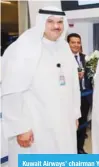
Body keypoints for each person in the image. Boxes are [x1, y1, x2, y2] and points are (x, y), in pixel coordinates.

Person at [1, 6, 80, 167]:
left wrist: (75, 114)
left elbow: (73, 86)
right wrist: (20, 127)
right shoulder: (24, 48)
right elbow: (11, 91)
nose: (56, 26)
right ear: (41, 22)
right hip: (36, 125)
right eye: (50, 21)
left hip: (64, 122)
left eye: (59, 22)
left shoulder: (64, 48)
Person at [67, 33, 93, 154]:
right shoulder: (64, 59)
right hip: (71, 99)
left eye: (78, 42)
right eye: (73, 42)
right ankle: (71, 150)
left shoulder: (86, 58)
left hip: (85, 98)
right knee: (72, 125)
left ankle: (80, 148)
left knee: (83, 125)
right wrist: (74, 77)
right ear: (68, 44)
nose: (76, 45)